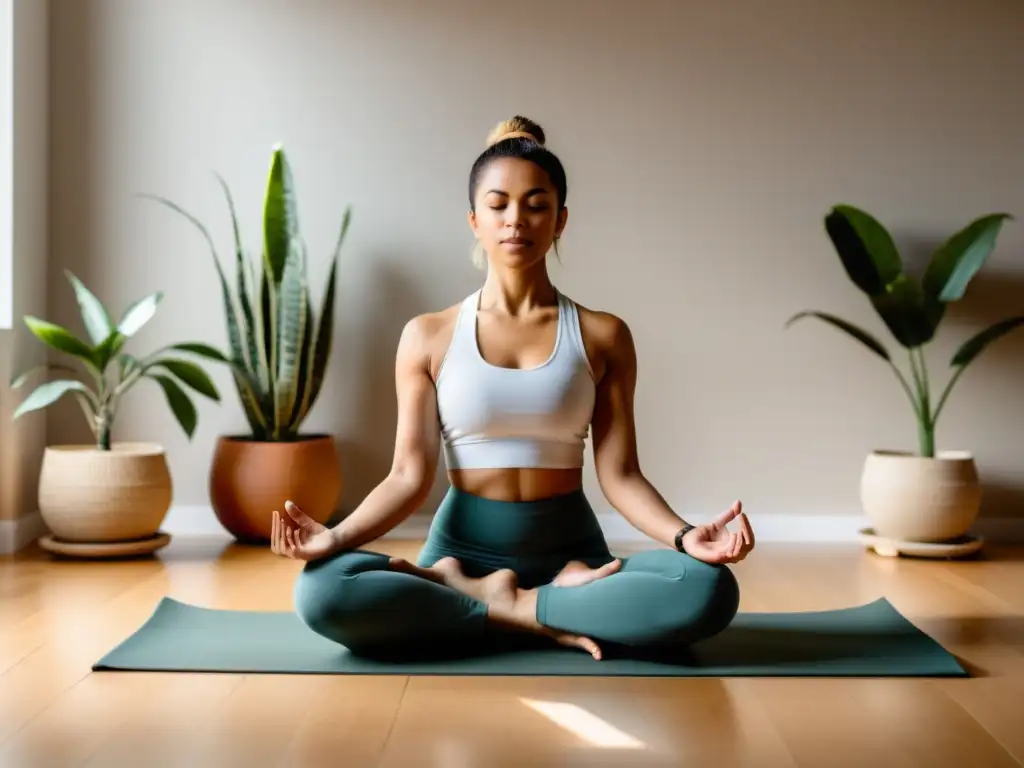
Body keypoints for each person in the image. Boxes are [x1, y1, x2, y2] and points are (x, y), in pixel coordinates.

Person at [270, 116, 756, 662]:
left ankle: (490, 607)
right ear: (474, 221)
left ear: (560, 219)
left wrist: (686, 537)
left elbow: (620, 475)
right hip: (458, 553)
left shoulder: (604, 335)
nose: (516, 220)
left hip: (571, 555)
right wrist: (334, 539)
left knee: (708, 588)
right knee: (321, 591)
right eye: (498, 204)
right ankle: (531, 607)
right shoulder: (427, 336)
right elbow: (408, 476)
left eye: (536, 203)